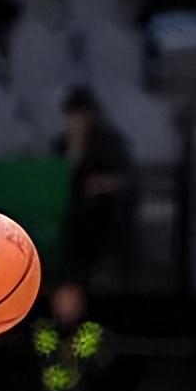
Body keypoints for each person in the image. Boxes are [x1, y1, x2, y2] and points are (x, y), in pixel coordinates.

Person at [54, 87, 135, 283]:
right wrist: (75, 151)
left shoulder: (109, 142)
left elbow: (124, 178)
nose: (75, 122)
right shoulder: (61, 143)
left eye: (80, 116)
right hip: (71, 207)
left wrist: (99, 185)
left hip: (104, 207)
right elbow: (57, 177)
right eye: (71, 116)